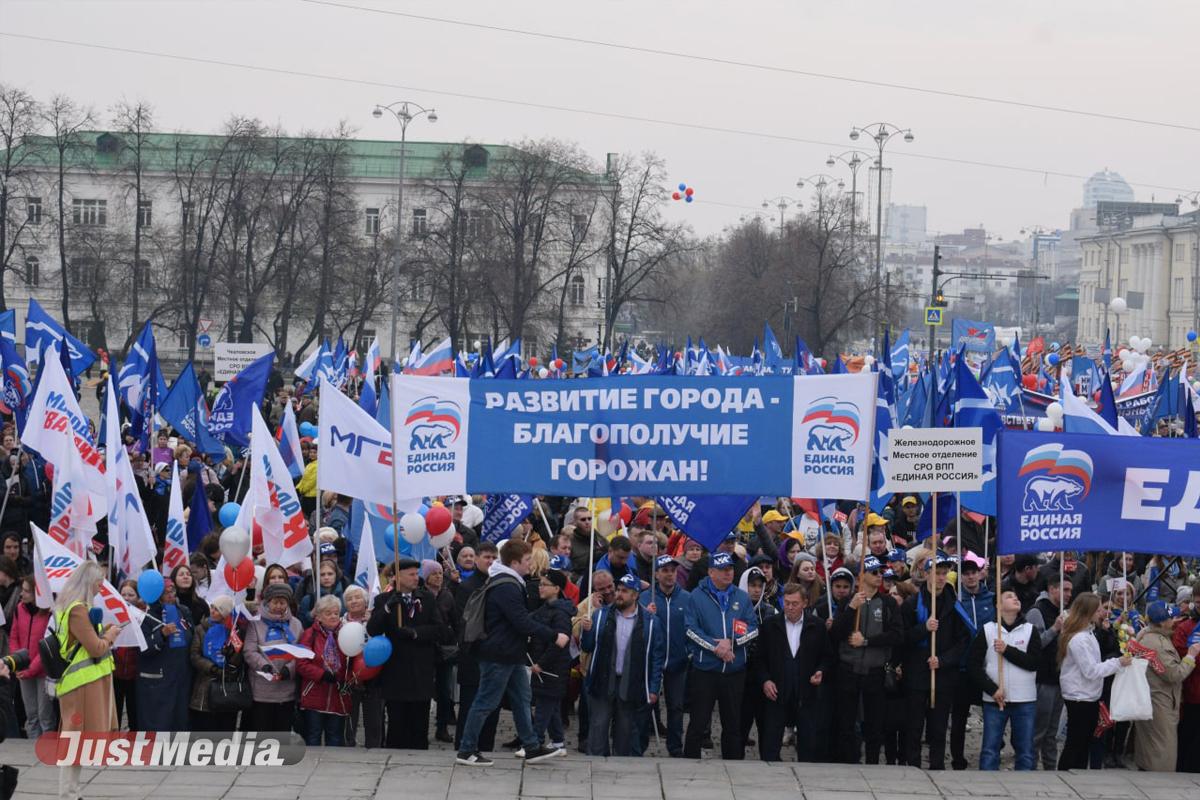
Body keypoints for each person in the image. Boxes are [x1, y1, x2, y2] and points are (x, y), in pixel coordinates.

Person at [456, 540, 568, 766]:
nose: (530, 565)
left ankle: (532, 746)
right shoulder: (507, 585)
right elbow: (521, 621)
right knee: (486, 701)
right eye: (527, 561)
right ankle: (467, 750)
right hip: (499, 653)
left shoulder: (507, 581)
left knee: (522, 699)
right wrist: (554, 635)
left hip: (511, 653)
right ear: (515, 562)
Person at [52, 561, 119, 800]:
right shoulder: (79, 609)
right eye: (99, 582)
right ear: (89, 583)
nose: (101, 587)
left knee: (77, 740)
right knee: (74, 739)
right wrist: (110, 636)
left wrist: (103, 632)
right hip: (81, 683)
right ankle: (68, 793)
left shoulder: (68, 608)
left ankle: (72, 791)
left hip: (78, 682)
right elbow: (95, 648)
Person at [682, 551, 758, 760]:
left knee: (733, 724)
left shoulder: (741, 597)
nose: (728, 573)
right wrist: (716, 648)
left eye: (731, 569)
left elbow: (752, 628)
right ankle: (688, 763)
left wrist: (732, 642)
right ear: (711, 572)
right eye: (723, 570)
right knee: (698, 722)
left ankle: (733, 764)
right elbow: (690, 629)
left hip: (734, 671)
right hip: (705, 670)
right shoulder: (696, 597)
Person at [900, 552, 972, 771]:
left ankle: (937, 765)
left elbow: (963, 641)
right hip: (917, 674)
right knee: (914, 725)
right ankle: (912, 764)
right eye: (937, 573)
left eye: (944, 573)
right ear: (926, 574)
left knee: (939, 727)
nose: (941, 578)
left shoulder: (954, 606)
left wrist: (943, 660)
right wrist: (924, 629)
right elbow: (902, 638)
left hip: (943, 674)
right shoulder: (913, 604)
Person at [581, 572, 665, 756]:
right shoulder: (601, 615)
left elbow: (656, 657)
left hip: (631, 684)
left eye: (624, 591)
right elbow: (587, 646)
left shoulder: (650, 622)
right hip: (603, 682)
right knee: (598, 729)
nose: (618, 594)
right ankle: (595, 768)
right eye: (618, 589)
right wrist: (586, 631)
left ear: (635, 595)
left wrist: (653, 688)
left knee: (625, 733)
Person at [829, 555, 903, 764]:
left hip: (875, 671)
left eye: (881, 573)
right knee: (846, 721)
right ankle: (847, 761)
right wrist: (851, 607)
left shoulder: (888, 603)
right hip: (849, 669)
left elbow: (897, 635)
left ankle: (872, 762)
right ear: (862, 575)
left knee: (874, 723)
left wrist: (867, 641)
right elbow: (836, 634)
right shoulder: (847, 601)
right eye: (874, 573)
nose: (879, 576)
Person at [367, 557, 447, 750]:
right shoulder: (384, 600)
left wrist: (415, 633)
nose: (415, 578)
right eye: (411, 574)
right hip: (396, 671)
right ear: (397, 577)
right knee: (397, 722)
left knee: (419, 723)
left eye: (417, 574)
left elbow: (440, 629)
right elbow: (373, 629)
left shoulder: (426, 598)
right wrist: (387, 609)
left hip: (421, 669)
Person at [968, 590, 1043, 770]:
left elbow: (1034, 662)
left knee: (1025, 749)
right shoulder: (987, 631)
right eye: (1009, 597)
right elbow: (973, 666)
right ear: (998, 605)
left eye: (1016, 596)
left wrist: (1007, 650)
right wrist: (992, 690)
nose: (1015, 598)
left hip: (1024, 699)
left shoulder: (1030, 630)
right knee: (990, 748)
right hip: (995, 699)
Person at [756, 582, 831, 761]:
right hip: (777, 691)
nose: (789, 607)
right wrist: (765, 680)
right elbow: (759, 658)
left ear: (804, 603)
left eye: (794, 603)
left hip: (806, 692)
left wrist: (821, 671)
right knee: (771, 742)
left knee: (808, 743)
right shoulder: (770, 625)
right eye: (786, 602)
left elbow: (827, 656)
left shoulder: (817, 626)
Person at [1057, 592, 1131, 770]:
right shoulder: (1080, 639)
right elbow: (1090, 670)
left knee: (1082, 743)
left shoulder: (1088, 634)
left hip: (1088, 695)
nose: (1102, 613)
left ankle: (1078, 773)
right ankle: (1066, 773)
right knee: (1076, 742)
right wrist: (1117, 663)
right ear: (1088, 612)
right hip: (1080, 696)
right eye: (1098, 610)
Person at [1133, 602, 1199, 771]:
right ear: (1162, 622)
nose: (1175, 620)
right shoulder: (1157, 644)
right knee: (1163, 752)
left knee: (1150, 748)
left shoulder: (1148, 635)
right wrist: (1191, 656)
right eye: (1171, 618)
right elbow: (1173, 674)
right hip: (1160, 702)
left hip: (1154, 699)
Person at [639, 554, 690, 757]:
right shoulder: (645, 598)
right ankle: (640, 744)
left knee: (676, 706)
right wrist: (645, 613)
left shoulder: (687, 598)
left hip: (678, 662)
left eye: (673, 570)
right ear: (656, 574)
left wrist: (689, 652)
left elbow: (693, 626)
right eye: (665, 571)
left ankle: (675, 746)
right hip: (652, 663)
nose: (670, 575)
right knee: (647, 704)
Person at [950, 553, 994, 771]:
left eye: (973, 572)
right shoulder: (957, 601)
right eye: (965, 574)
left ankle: (990, 754)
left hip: (986, 667)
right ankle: (957, 758)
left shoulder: (991, 598)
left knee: (990, 713)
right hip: (962, 667)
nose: (970, 577)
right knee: (958, 716)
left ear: (980, 574)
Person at [1026, 573, 1072, 770]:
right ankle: (1030, 766)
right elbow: (1035, 645)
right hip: (1044, 678)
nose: (1069, 594)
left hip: (1059, 677)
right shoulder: (1038, 611)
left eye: (1070, 590)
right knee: (1039, 729)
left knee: (1052, 731)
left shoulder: (1064, 611)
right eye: (1065, 589)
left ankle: (1050, 769)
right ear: (1052, 589)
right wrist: (1054, 629)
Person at [244, 582, 304, 731]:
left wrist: (289, 670)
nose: (279, 606)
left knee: (282, 733)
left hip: (286, 689)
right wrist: (264, 666)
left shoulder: (296, 624)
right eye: (275, 602)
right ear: (267, 602)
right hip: (262, 689)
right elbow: (249, 651)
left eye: (282, 602)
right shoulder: (255, 623)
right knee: (262, 732)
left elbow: (302, 652)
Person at [137, 579, 194, 731]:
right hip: (159, 681)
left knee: (179, 721)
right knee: (161, 722)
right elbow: (143, 649)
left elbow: (192, 637)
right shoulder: (148, 618)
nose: (171, 595)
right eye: (166, 593)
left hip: (181, 678)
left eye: (173, 591)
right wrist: (161, 634)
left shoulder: (184, 612)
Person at [529, 569, 575, 753]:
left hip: (553, 668)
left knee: (544, 705)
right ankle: (557, 742)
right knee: (552, 705)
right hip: (546, 666)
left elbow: (560, 643)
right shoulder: (545, 609)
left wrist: (541, 664)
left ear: (556, 588)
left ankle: (535, 742)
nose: (540, 588)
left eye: (544, 585)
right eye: (540, 584)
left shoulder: (560, 613)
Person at [297, 594, 353, 746]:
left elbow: (351, 661)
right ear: (319, 616)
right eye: (328, 613)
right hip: (314, 694)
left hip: (337, 695)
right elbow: (301, 663)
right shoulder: (310, 634)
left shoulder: (347, 634)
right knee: (313, 737)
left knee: (335, 738)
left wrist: (343, 677)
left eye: (336, 613)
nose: (333, 617)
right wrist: (322, 675)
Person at [10, 575, 56, 738]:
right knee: (31, 715)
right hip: (23, 669)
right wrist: (18, 661)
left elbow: (46, 644)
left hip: (43, 671)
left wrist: (31, 668)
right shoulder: (19, 609)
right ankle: (32, 749)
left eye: (26, 591)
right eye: (22, 589)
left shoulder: (49, 614)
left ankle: (47, 747)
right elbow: (14, 636)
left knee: (45, 715)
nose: (22, 594)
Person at [422, 559, 460, 744]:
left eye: (439, 573)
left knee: (444, 690)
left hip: (445, 649)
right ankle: (421, 726)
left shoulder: (447, 596)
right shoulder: (420, 595)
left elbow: (455, 619)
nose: (438, 577)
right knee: (424, 689)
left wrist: (455, 637)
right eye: (433, 573)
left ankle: (442, 727)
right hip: (426, 648)